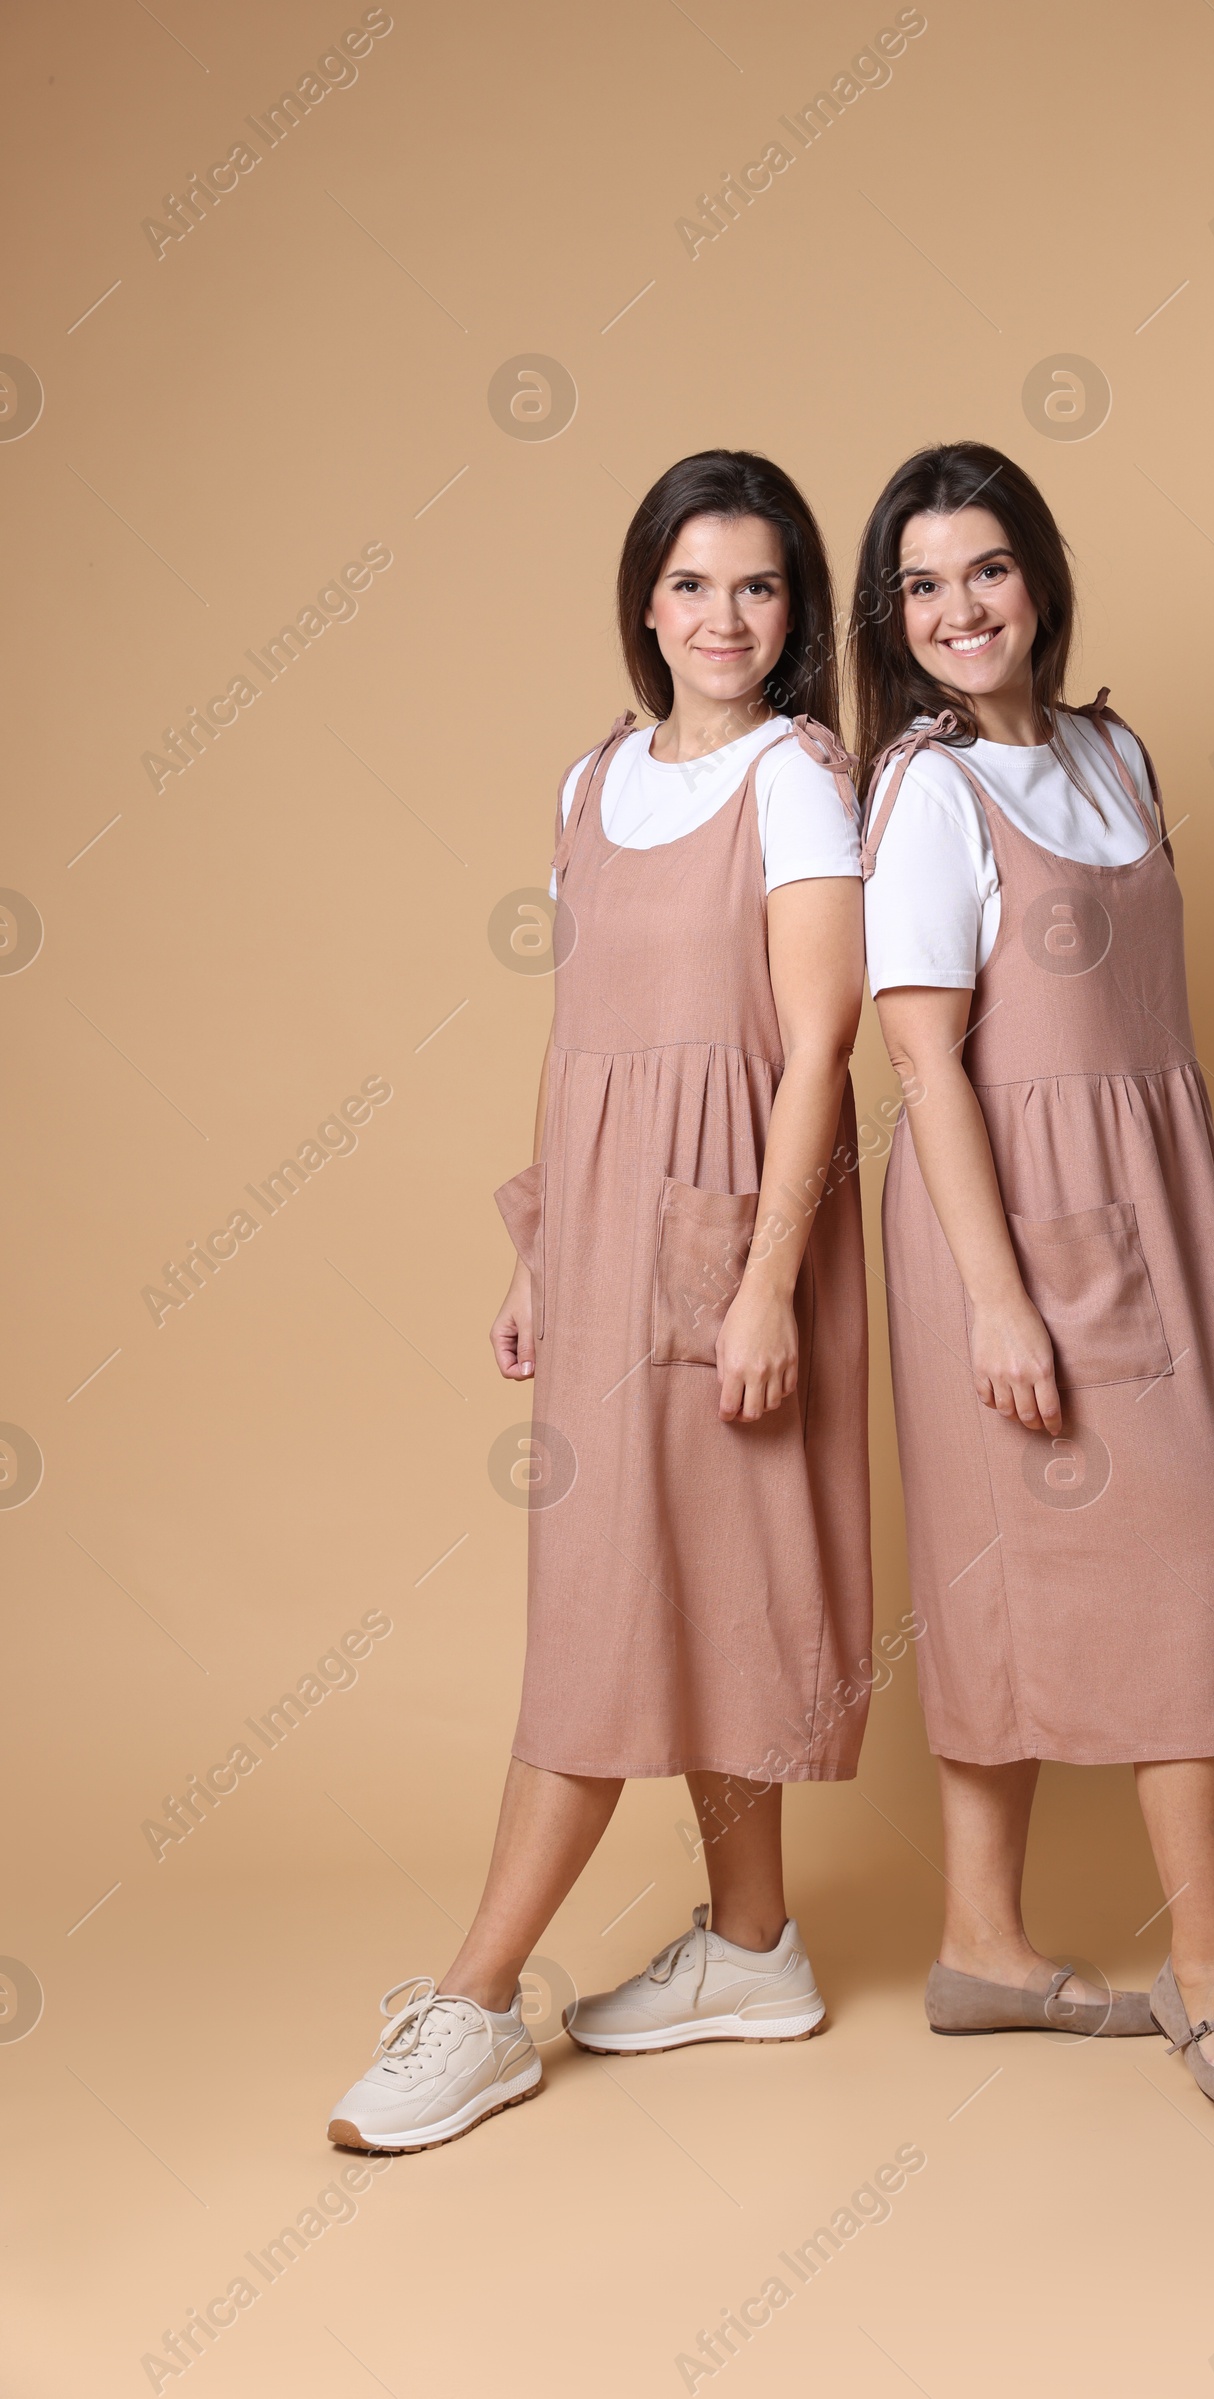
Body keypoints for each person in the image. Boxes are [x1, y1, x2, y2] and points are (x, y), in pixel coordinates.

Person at [327, 451, 872, 2152]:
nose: (726, 616)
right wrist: (539, 1245)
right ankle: (757, 1946)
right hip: (610, 1231)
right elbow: (583, 1054)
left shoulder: (801, 777)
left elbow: (818, 1049)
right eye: (695, 583)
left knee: (621, 1602)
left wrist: (771, 1281)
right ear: (645, 600)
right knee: (670, 1579)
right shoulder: (588, 783)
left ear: (794, 617)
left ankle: (478, 2000)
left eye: (760, 586)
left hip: (736, 1233)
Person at [851, 442, 1214, 2132]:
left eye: (985, 568)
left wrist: (1187, 1191)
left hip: (1153, 1206)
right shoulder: (921, 790)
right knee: (1152, 1566)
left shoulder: (1114, 753)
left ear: (1037, 574)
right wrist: (994, 1297)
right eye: (923, 586)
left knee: (1070, 1573)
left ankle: (983, 1946)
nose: (961, 608)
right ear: (894, 620)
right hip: (1015, 1218)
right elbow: (928, 1064)